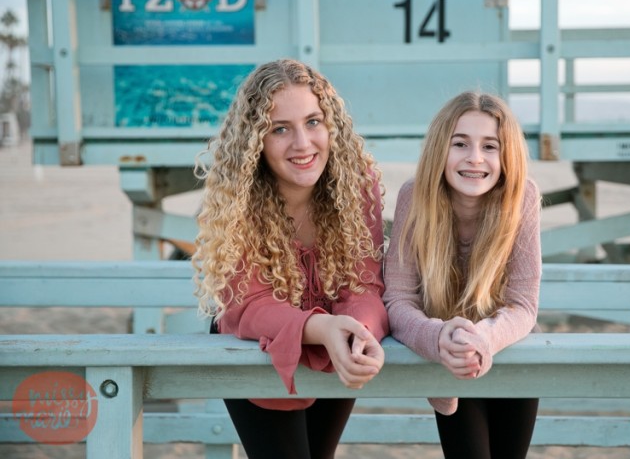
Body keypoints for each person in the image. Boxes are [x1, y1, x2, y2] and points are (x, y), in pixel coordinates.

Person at [192, 59, 389, 459]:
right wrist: (326, 326)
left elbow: (365, 284)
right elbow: (251, 307)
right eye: (280, 129)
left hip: (333, 347)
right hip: (255, 352)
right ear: (255, 141)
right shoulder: (237, 196)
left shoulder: (355, 182)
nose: (303, 143)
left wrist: (358, 330)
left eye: (313, 122)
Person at [383, 91, 541, 459]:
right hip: (449, 357)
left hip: (508, 348)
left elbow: (522, 305)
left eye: (490, 146)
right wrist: (439, 338)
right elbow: (398, 299)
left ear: (507, 155)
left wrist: (482, 339)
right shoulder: (415, 196)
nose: (475, 158)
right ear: (441, 148)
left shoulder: (523, 198)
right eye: (460, 144)